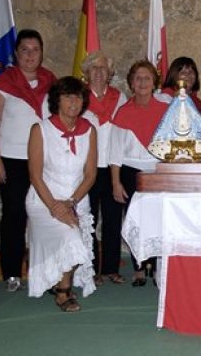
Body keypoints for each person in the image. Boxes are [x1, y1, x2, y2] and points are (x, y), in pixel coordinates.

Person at [0, 29, 57, 292]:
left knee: (45, 214)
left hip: (45, 160)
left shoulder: (51, 81)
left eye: (34, 49)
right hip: (13, 160)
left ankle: (46, 270)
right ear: (16, 53)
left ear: (41, 52)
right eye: (24, 50)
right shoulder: (2, 83)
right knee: (14, 216)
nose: (29, 55)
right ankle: (12, 272)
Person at [26, 76, 97, 312]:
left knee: (73, 235)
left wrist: (70, 203)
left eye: (78, 96)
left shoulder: (89, 131)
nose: (73, 101)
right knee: (70, 236)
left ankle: (60, 280)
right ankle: (63, 292)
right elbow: (35, 176)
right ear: (57, 100)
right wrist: (55, 207)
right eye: (67, 96)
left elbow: (90, 175)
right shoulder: (40, 130)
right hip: (42, 200)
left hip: (76, 200)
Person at [109, 60, 169, 286]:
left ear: (154, 82)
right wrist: (116, 183)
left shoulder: (166, 111)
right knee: (137, 220)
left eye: (147, 78)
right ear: (131, 84)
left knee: (158, 219)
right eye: (138, 78)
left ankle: (158, 265)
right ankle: (139, 267)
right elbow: (114, 152)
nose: (142, 82)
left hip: (157, 171)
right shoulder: (123, 113)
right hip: (130, 172)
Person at [80, 52, 128, 285]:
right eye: (94, 68)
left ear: (110, 74)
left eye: (103, 68)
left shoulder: (119, 98)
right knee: (88, 219)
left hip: (111, 167)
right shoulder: (78, 97)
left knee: (112, 219)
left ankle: (110, 267)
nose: (99, 72)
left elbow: (121, 134)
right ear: (86, 73)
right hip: (87, 168)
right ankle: (90, 269)